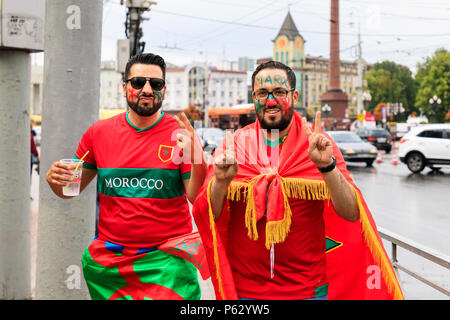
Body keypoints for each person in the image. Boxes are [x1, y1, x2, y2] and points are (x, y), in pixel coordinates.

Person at [192, 60, 404, 300]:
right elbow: (208, 214)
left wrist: (327, 166)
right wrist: (220, 182)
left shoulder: (318, 143)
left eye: (279, 92)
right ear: (254, 97)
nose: (270, 101)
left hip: (308, 291)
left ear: (295, 96)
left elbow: (351, 212)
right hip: (245, 292)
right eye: (262, 93)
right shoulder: (233, 145)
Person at [45, 53, 207, 300]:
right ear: (124, 88)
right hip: (112, 265)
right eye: (138, 82)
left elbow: (196, 197)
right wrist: (54, 181)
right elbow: (71, 189)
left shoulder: (180, 134)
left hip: (167, 263)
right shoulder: (99, 133)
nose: (147, 89)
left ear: (164, 89)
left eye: (156, 84)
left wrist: (197, 157)